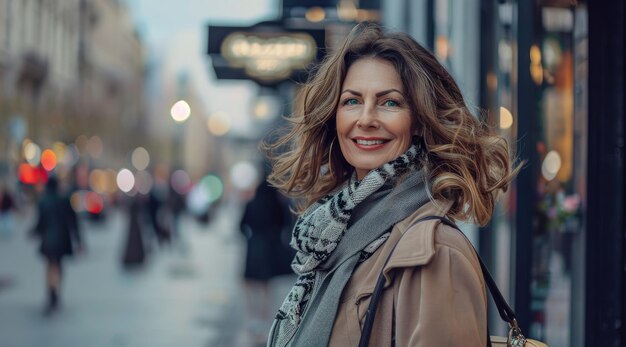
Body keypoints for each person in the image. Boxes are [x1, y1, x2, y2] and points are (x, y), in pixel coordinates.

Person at [264, 22, 520, 346]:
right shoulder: (334, 239)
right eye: (352, 101)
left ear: (418, 121)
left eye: (390, 103)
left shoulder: (436, 253)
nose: (366, 118)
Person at [239, 179, 290, 343]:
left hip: (254, 246)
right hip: (271, 246)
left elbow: (241, 226)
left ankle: (253, 319)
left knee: (249, 283)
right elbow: (285, 224)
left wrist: (251, 236)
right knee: (266, 286)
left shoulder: (251, 203)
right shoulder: (277, 204)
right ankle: (265, 322)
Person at [32, 176, 83, 315]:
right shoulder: (64, 200)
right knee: (58, 265)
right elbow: (73, 222)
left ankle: (51, 289)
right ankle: (55, 289)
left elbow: (40, 223)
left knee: (50, 265)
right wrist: (79, 241)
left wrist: (34, 232)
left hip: (48, 239)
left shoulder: (43, 202)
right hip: (62, 239)